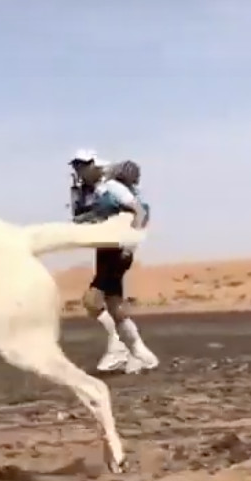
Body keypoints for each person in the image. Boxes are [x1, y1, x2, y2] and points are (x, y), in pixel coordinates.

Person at [67, 149, 159, 374]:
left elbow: (139, 212)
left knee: (92, 300)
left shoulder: (111, 187)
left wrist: (130, 243)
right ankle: (140, 354)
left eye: (82, 165)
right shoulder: (87, 193)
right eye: (76, 166)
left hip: (118, 250)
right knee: (114, 304)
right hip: (105, 248)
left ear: (93, 165)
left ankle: (119, 348)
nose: (79, 170)